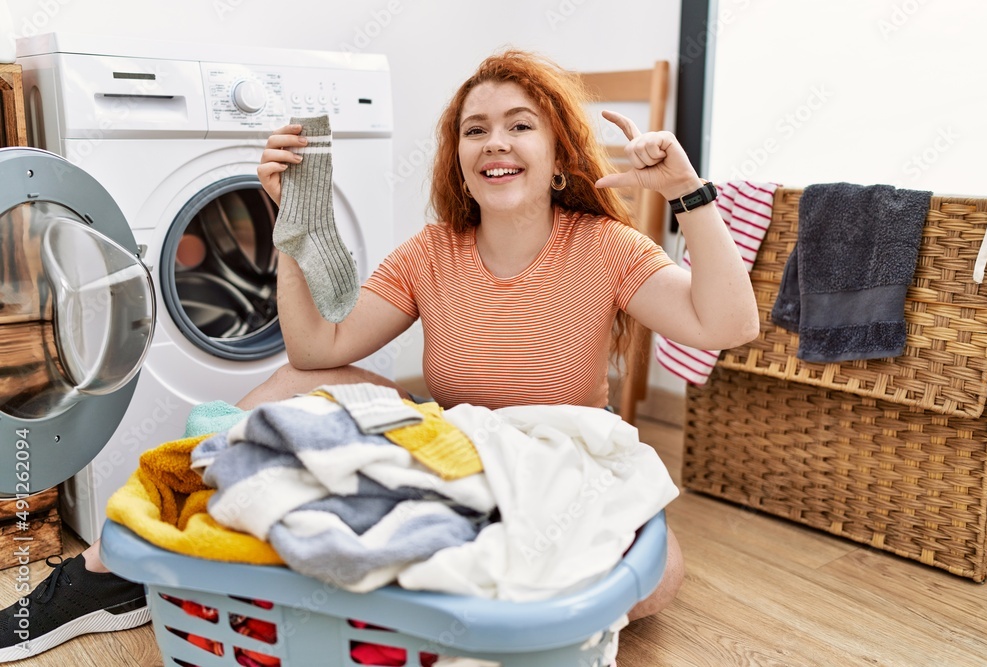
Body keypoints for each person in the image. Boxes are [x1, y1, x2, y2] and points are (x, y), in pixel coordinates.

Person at [0, 49, 759, 662]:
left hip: (551, 460)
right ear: (459, 160)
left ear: (558, 157)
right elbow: (317, 346)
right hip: (453, 450)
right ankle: (115, 566)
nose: (494, 141)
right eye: (475, 130)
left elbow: (725, 323)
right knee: (291, 383)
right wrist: (288, 224)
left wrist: (688, 193)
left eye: (519, 125)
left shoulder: (605, 247)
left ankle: (413, 600)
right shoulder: (433, 251)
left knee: (660, 577)